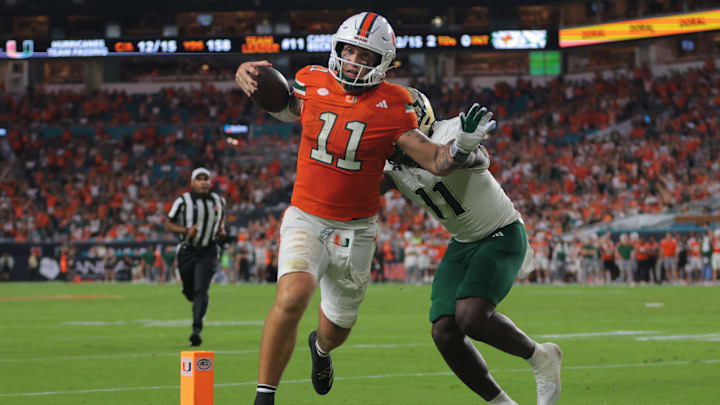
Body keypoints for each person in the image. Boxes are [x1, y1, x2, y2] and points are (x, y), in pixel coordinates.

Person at [235, 12, 493, 405]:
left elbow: (435, 161)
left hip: (355, 230)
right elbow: (281, 106)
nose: (354, 61)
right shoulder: (310, 81)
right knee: (292, 295)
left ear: (384, 63)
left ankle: (320, 350)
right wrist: (248, 75)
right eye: (349, 50)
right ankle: (264, 396)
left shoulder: (396, 104)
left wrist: (461, 147)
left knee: (336, 328)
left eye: (365, 55)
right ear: (336, 49)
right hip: (305, 214)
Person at [381, 87, 562, 405]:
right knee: (444, 333)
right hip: (462, 243)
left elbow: (475, 157)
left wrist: (462, 147)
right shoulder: (389, 163)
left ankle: (540, 357)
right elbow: (357, 189)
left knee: (471, 316)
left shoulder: (449, 131)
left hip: (501, 233)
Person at [164, 167, 226, 346]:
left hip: (208, 251)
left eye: (206, 179)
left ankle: (196, 330)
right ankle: (198, 301)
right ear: (192, 182)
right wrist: (186, 230)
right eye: (199, 179)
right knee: (190, 291)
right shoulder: (183, 201)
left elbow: (221, 221)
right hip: (187, 251)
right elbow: (168, 224)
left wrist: (221, 231)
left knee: (201, 290)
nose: (203, 182)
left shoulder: (219, 201)